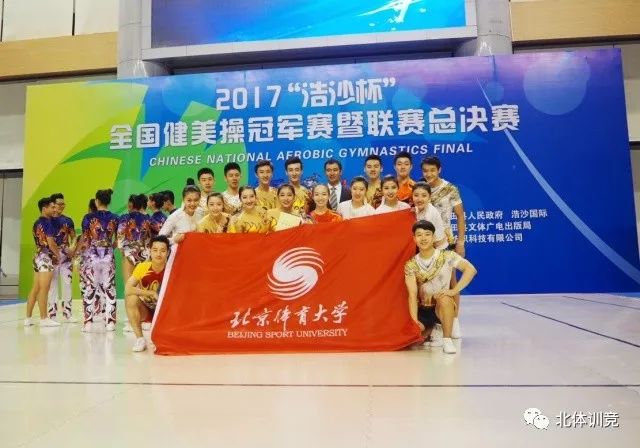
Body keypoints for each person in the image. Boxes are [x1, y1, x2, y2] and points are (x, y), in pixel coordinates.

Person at [404, 220, 476, 354]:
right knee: (412, 340)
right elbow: (412, 295)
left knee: (445, 299)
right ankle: (433, 329)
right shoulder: (411, 265)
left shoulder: (447, 256)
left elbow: (471, 270)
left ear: (433, 237)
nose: (423, 238)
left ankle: (446, 339)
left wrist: (454, 290)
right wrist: (414, 322)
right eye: (419, 235)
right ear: (414, 239)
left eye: (427, 234)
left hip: (442, 306)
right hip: (423, 310)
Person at [421, 156, 467, 338]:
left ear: (439, 170)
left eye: (432, 170)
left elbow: (460, 216)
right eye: (425, 171)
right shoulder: (420, 188)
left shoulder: (450, 188)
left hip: (445, 242)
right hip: (424, 242)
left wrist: (460, 242)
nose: (429, 174)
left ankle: (454, 320)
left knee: (450, 281)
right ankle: (434, 324)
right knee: (428, 283)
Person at [80, 189, 119, 331]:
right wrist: (110, 247)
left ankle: (88, 322)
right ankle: (110, 322)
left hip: (92, 256)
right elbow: (117, 240)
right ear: (109, 201)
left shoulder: (88, 217)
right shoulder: (115, 218)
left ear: (97, 201)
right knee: (109, 287)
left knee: (90, 287)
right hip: (108, 256)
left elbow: (85, 239)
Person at [124, 235, 170, 352]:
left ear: (168, 252)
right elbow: (127, 289)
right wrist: (151, 293)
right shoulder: (142, 267)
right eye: (155, 250)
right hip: (146, 310)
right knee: (131, 298)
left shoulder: (171, 269)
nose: (158, 254)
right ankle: (140, 339)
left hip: (164, 311)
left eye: (163, 251)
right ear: (149, 251)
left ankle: (167, 336)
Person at [24, 197, 61, 327]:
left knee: (35, 288)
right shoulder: (47, 223)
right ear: (44, 209)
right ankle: (44, 318)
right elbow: (51, 243)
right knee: (44, 289)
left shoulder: (37, 223)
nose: (55, 209)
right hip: (45, 258)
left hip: (38, 257)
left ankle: (28, 318)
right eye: (52, 207)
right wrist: (58, 255)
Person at [47, 193, 76, 322]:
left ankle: (67, 314)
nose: (62, 206)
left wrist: (72, 248)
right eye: (59, 204)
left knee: (67, 284)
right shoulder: (47, 221)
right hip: (51, 258)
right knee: (52, 286)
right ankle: (52, 315)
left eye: (63, 204)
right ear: (53, 204)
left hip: (66, 259)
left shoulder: (68, 221)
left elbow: (73, 237)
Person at [118, 194, 153, 288]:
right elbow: (151, 238)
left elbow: (120, 235)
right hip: (144, 255)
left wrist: (122, 250)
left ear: (133, 205)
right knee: (143, 288)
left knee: (129, 287)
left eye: (129, 205)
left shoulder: (125, 217)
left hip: (129, 254)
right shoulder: (149, 219)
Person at [412, 182, 446, 249]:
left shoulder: (429, 214)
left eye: (424, 196)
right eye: (416, 195)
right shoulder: (417, 208)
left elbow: (426, 239)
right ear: (412, 196)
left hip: (438, 248)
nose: (419, 199)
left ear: (429, 198)